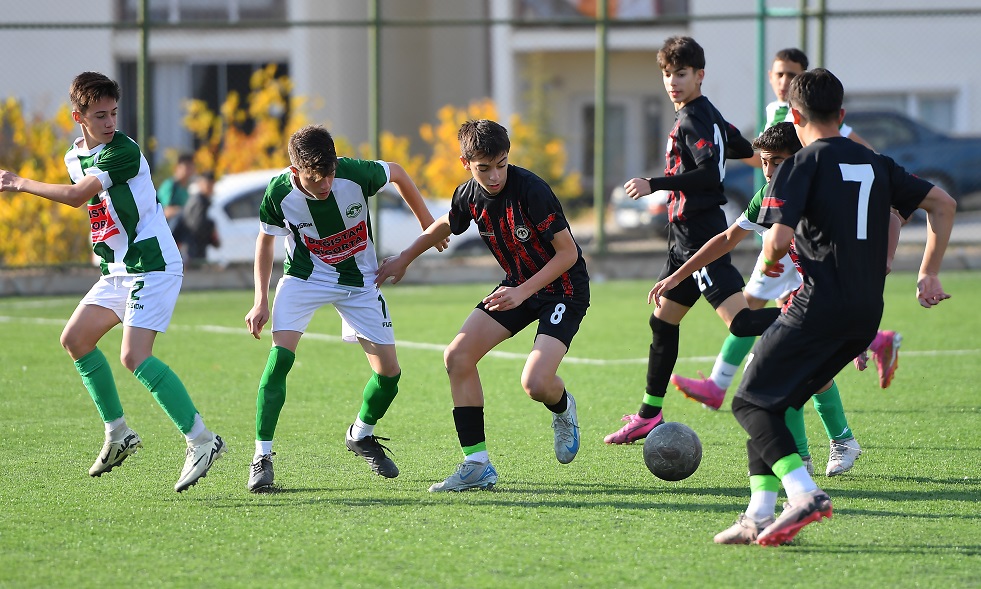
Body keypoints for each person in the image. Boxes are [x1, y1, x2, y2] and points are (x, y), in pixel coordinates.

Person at [715, 68, 954, 546]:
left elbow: (778, 243)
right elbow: (943, 204)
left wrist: (768, 256)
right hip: (866, 313)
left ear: (796, 116)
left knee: (747, 400)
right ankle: (759, 513)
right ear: (842, 116)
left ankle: (803, 493)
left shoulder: (802, 164)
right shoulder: (876, 162)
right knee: (776, 399)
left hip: (819, 304)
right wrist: (928, 271)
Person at [0, 72, 226, 493]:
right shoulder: (75, 155)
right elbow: (100, 210)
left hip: (152, 264)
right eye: (100, 115)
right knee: (75, 340)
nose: (109, 122)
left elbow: (77, 196)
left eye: (114, 113)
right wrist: (100, 245)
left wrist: (18, 183)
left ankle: (202, 440)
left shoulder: (122, 151)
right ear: (78, 117)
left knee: (134, 356)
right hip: (118, 269)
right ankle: (119, 432)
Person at [374, 119, 589, 492]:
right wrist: (406, 256)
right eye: (484, 168)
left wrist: (522, 292)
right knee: (457, 356)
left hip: (562, 289)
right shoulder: (469, 194)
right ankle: (477, 464)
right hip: (516, 288)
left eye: (502, 164)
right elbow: (448, 222)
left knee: (536, 384)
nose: (494, 176)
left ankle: (563, 408)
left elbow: (568, 253)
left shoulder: (532, 191)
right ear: (466, 164)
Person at [650, 122, 860, 477]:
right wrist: (678, 275)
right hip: (802, 295)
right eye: (765, 162)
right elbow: (728, 238)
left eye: (779, 161)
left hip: (832, 296)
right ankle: (815, 452)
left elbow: (852, 255)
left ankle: (829, 446)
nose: (770, 170)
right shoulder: (767, 196)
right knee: (791, 370)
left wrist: (857, 319)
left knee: (783, 371)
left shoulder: (824, 195)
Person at [244, 124, 443, 492]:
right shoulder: (278, 193)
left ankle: (361, 434)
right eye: (314, 177)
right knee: (279, 362)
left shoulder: (353, 173)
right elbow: (265, 241)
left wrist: (427, 223)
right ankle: (262, 457)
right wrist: (260, 299)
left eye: (330, 174)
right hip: (305, 279)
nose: (324, 184)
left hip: (359, 283)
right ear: (295, 172)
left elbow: (397, 172)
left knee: (390, 376)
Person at [603, 36, 754, 445]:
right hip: (682, 237)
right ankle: (649, 414)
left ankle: (829, 325)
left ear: (699, 75)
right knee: (662, 321)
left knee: (740, 322)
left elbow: (708, 173)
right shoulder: (705, 114)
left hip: (700, 235)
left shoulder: (692, 118)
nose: (673, 81)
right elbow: (740, 146)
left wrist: (654, 182)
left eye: (681, 74)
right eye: (668, 74)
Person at [177, 171, 219, 264]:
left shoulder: (202, 200)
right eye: (208, 185)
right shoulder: (199, 201)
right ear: (201, 184)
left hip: (195, 245)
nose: (210, 188)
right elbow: (197, 225)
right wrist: (211, 226)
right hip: (192, 246)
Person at [157, 152, 195, 235]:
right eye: (186, 167)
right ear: (178, 168)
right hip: (164, 230)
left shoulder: (185, 190)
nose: (189, 171)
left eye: (191, 167)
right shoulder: (170, 185)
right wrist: (183, 211)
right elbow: (166, 212)